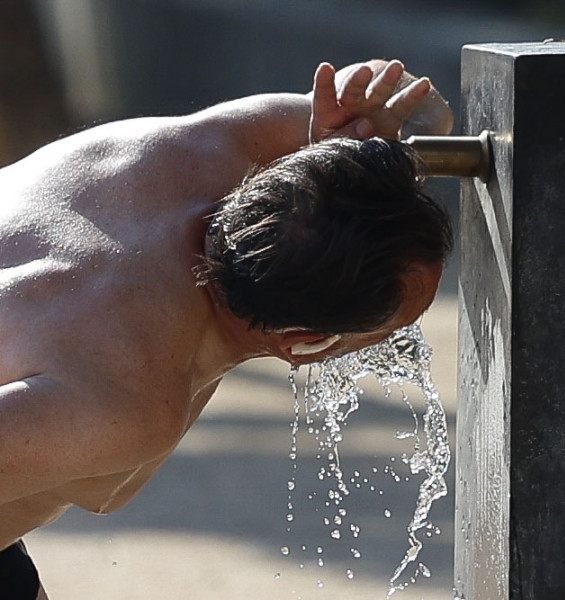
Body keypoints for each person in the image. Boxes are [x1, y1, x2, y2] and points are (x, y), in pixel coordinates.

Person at [0, 58, 454, 599]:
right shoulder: (124, 397)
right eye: (401, 322)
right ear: (304, 343)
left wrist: (371, 134)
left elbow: (424, 106)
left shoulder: (226, 144)